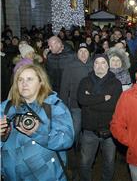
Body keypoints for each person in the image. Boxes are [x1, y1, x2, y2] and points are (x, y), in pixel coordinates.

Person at [0, 64, 74, 180]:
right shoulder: (6, 108)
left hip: (44, 175)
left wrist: (39, 131)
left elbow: (67, 140)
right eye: (20, 80)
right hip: (12, 176)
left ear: (41, 83)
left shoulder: (54, 107)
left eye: (29, 79)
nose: (24, 83)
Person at [77, 54, 123, 181]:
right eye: (97, 63)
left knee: (109, 163)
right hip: (89, 130)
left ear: (108, 65)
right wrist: (103, 98)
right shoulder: (85, 81)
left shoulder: (116, 83)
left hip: (109, 131)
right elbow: (81, 100)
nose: (100, 66)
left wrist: (90, 100)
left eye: (103, 63)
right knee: (85, 163)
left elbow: (113, 105)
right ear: (93, 65)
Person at [59, 42, 93, 180]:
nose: (83, 53)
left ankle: (87, 156)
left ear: (89, 53)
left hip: (91, 106)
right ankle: (73, 158)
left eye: (85, 51)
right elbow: (64, 87)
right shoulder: (70, 66)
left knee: (88, 132)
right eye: (81, 51)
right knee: (75, 132)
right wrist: (63, 107)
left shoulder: (93, 65)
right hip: (75, 106)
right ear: (77, 54)